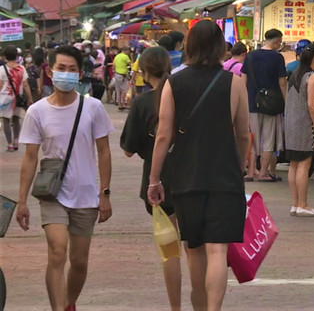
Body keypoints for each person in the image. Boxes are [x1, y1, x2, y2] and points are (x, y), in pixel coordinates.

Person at [148, 20, 250, 311]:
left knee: (194, 249)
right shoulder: (235, 83)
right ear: (220, 47)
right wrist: (239, 164)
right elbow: (243, 133)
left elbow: (164, 135)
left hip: (186, 176)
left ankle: (199, 306)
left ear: (189, 45)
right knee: (218, 249)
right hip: (225, 176)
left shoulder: (173, 83)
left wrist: (154, 180)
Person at [15, 45, 114, 311]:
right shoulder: (37, 112)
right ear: (50, 70)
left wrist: (105, 194)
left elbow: (104, 152)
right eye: (61, 69)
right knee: (57, 251)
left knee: (79, 261)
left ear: (80, 74)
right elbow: (30, 158)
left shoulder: (93, 108)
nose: (66, 74)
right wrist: (21, 201)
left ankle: (69, 303)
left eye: (72, 70)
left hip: (86, 195)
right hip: (53, 193)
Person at [120, 46, 182, 310]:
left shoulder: (142, 103)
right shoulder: (184, 97)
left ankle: (175, 307)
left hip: (158, 183)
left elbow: (127, 149)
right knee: (196, 249)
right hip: (192, 176)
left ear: (144, 73)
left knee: (170, 254)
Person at [241, 29, 287, 182]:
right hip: (271, 105)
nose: (280, 45)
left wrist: (243, 101)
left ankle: (251, 172)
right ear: (275, 42)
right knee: (268, 139)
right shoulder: (277, 58)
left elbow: (243, 80)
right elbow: (282, 83)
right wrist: (286, 102)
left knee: (254, 138)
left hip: (252, 104)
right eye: (280, 42)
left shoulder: (250, 56)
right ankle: (263, 173)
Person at [285, 43, 314, 217]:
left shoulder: (294, 75)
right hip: (304, 124)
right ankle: (303, 204)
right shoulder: (312, 77)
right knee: (304, 163)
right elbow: (311, 105)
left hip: (291, 123)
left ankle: (295, 204)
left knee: (294, 164)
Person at [0, 45, 33, 151]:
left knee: (5, 121)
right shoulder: (21, 68)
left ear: (5, 56)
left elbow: (0, 85)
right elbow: (26, 84)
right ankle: (16, 141)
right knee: (16, 120)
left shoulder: (1, 69)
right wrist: (29, 98)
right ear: (16, 56)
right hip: (17, 98)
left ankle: (9, 143)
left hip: (5, 98)